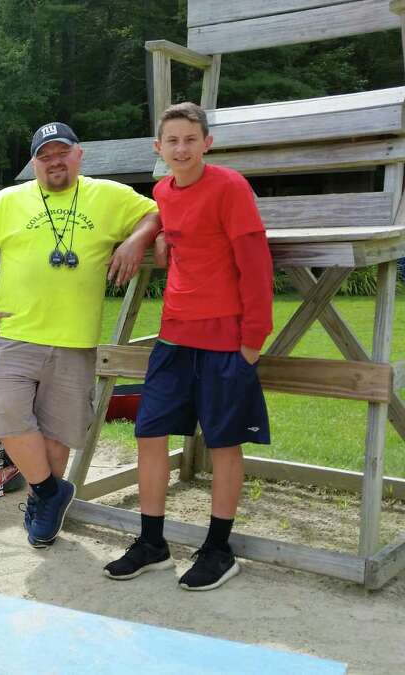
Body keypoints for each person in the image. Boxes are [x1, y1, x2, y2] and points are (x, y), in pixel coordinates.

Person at [0, 122, 161, 548]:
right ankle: (52, 492)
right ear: (34, 163)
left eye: (61, 152)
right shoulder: (8, 201)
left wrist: (136, 241)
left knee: (57, 431)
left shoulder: (107, 195)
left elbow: (156, 213)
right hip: (16, 333)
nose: (54, 161)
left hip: (75, 340)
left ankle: (40, 506)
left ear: (79, 154)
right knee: (7, 412)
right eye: (45, 156)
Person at [103, 102, 273, 591]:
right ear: (159, 149)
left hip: (225, 340)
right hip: (174, 335)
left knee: (223, 443)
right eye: (171, 141)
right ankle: (152, 543)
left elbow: (256, 265)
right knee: (149, 432)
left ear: (207, 144)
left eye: (190, 140)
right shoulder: (162, 190)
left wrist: (252, 340)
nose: (181, 148)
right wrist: (153, 236)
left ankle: (219, 549)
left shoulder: (230, 187)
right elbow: (166, 215)